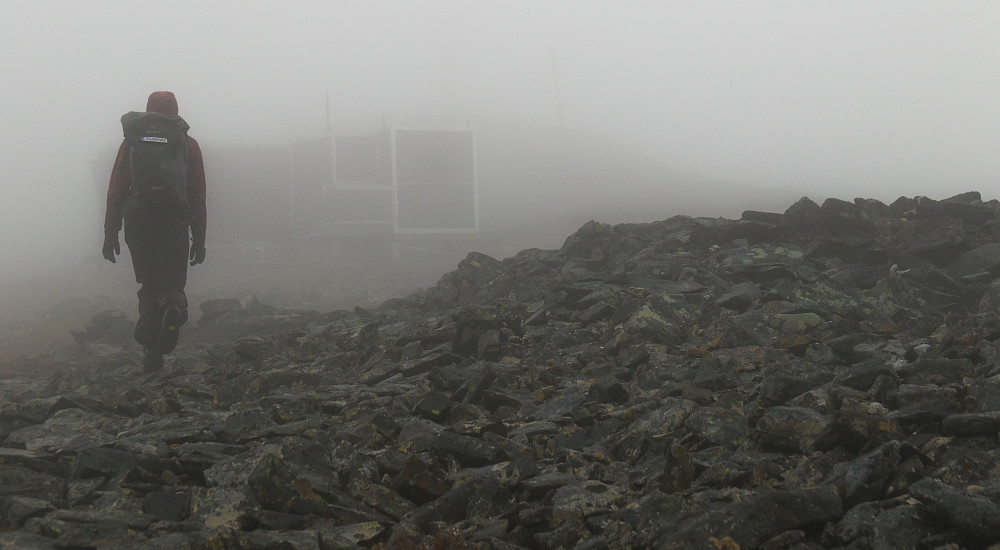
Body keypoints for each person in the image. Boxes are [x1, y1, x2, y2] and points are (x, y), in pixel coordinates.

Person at [102, 91, 207, 371]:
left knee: (148, 286)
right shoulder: (188, 144)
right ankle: (173, 309)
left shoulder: (132, 142)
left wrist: (110, 231)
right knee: (172, 285)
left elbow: (116, 190)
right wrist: (200, 238)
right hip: (175, 222)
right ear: (175, 111)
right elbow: (198, 195)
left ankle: (151, 352)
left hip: (139, 221)